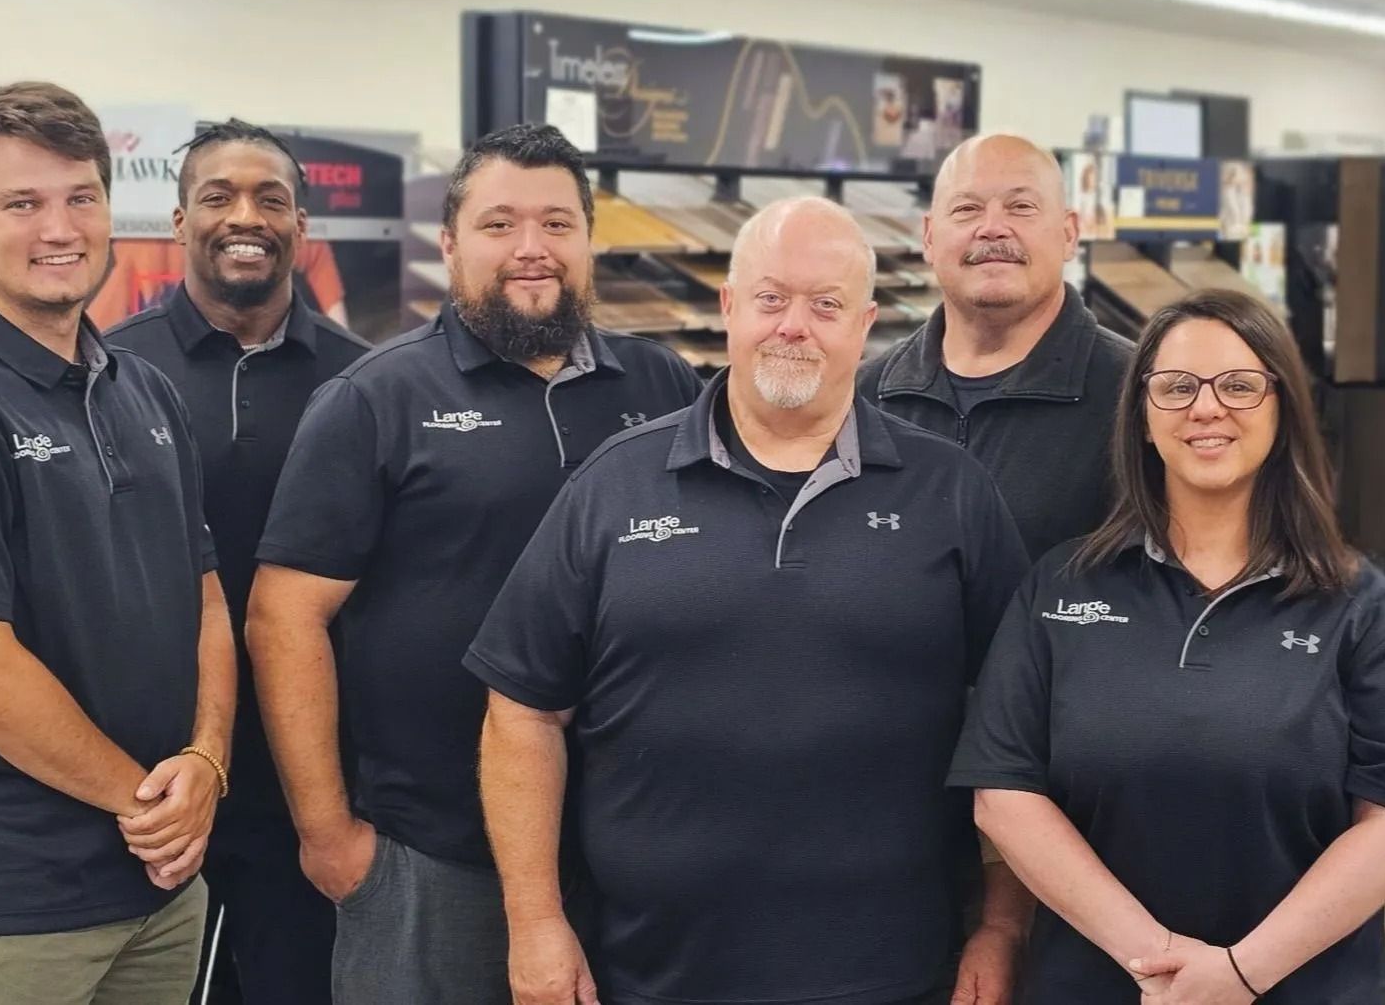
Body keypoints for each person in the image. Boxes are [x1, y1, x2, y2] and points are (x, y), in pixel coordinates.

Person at [468, 196, 1033, 1005]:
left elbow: (1014, 727)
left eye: (826, 305)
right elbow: (521, 709)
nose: (793, 326)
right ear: (729, 306)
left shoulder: (951, 492)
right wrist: (534, 923)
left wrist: (1003, 925)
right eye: (770, 298)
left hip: (892, 971)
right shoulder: (613, 487)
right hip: (650, 972)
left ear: (866, 322)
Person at [246, 123, 703, 1004]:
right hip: (431, 854)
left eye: (557, 224)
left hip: (633, 847)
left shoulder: (663, 389)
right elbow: (283, 618)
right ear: (450, 245)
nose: (531, 250)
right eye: (499, 225)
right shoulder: (374, 401)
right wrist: (329, 833)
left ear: (588, 240)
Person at [948, 289, 1385, 1005]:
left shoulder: (1365, 611)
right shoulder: (1058, 588)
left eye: (1239, 386)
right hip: (1096, 985)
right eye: (1176, 387)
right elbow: (1004, 793)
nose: (1205, 409)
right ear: (1143, 419)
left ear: (1281, 410)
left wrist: (1239, 975)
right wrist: (1155, 962)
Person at [0, 82, 235, 1004]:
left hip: (159, 890)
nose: (57, 227)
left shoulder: (143, 391)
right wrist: (147, 807)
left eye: (80, 196)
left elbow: (207, 598)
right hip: (12, 908)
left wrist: (208, 761)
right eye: (21, 203)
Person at [105, 118, 371, 1003]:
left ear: (303, 228)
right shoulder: (108, 374)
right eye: (217, 197)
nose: (243, 216)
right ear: (178, 223)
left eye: (271, 199)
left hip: (322, 773)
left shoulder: (366, 384)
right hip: (158, 778)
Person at [858, 133, 1132, 560]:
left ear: (1068, 233)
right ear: (929, 237)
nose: (992, 228)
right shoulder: (863, 398)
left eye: (1021, 206)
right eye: (966, 209)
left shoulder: (1136, 395)